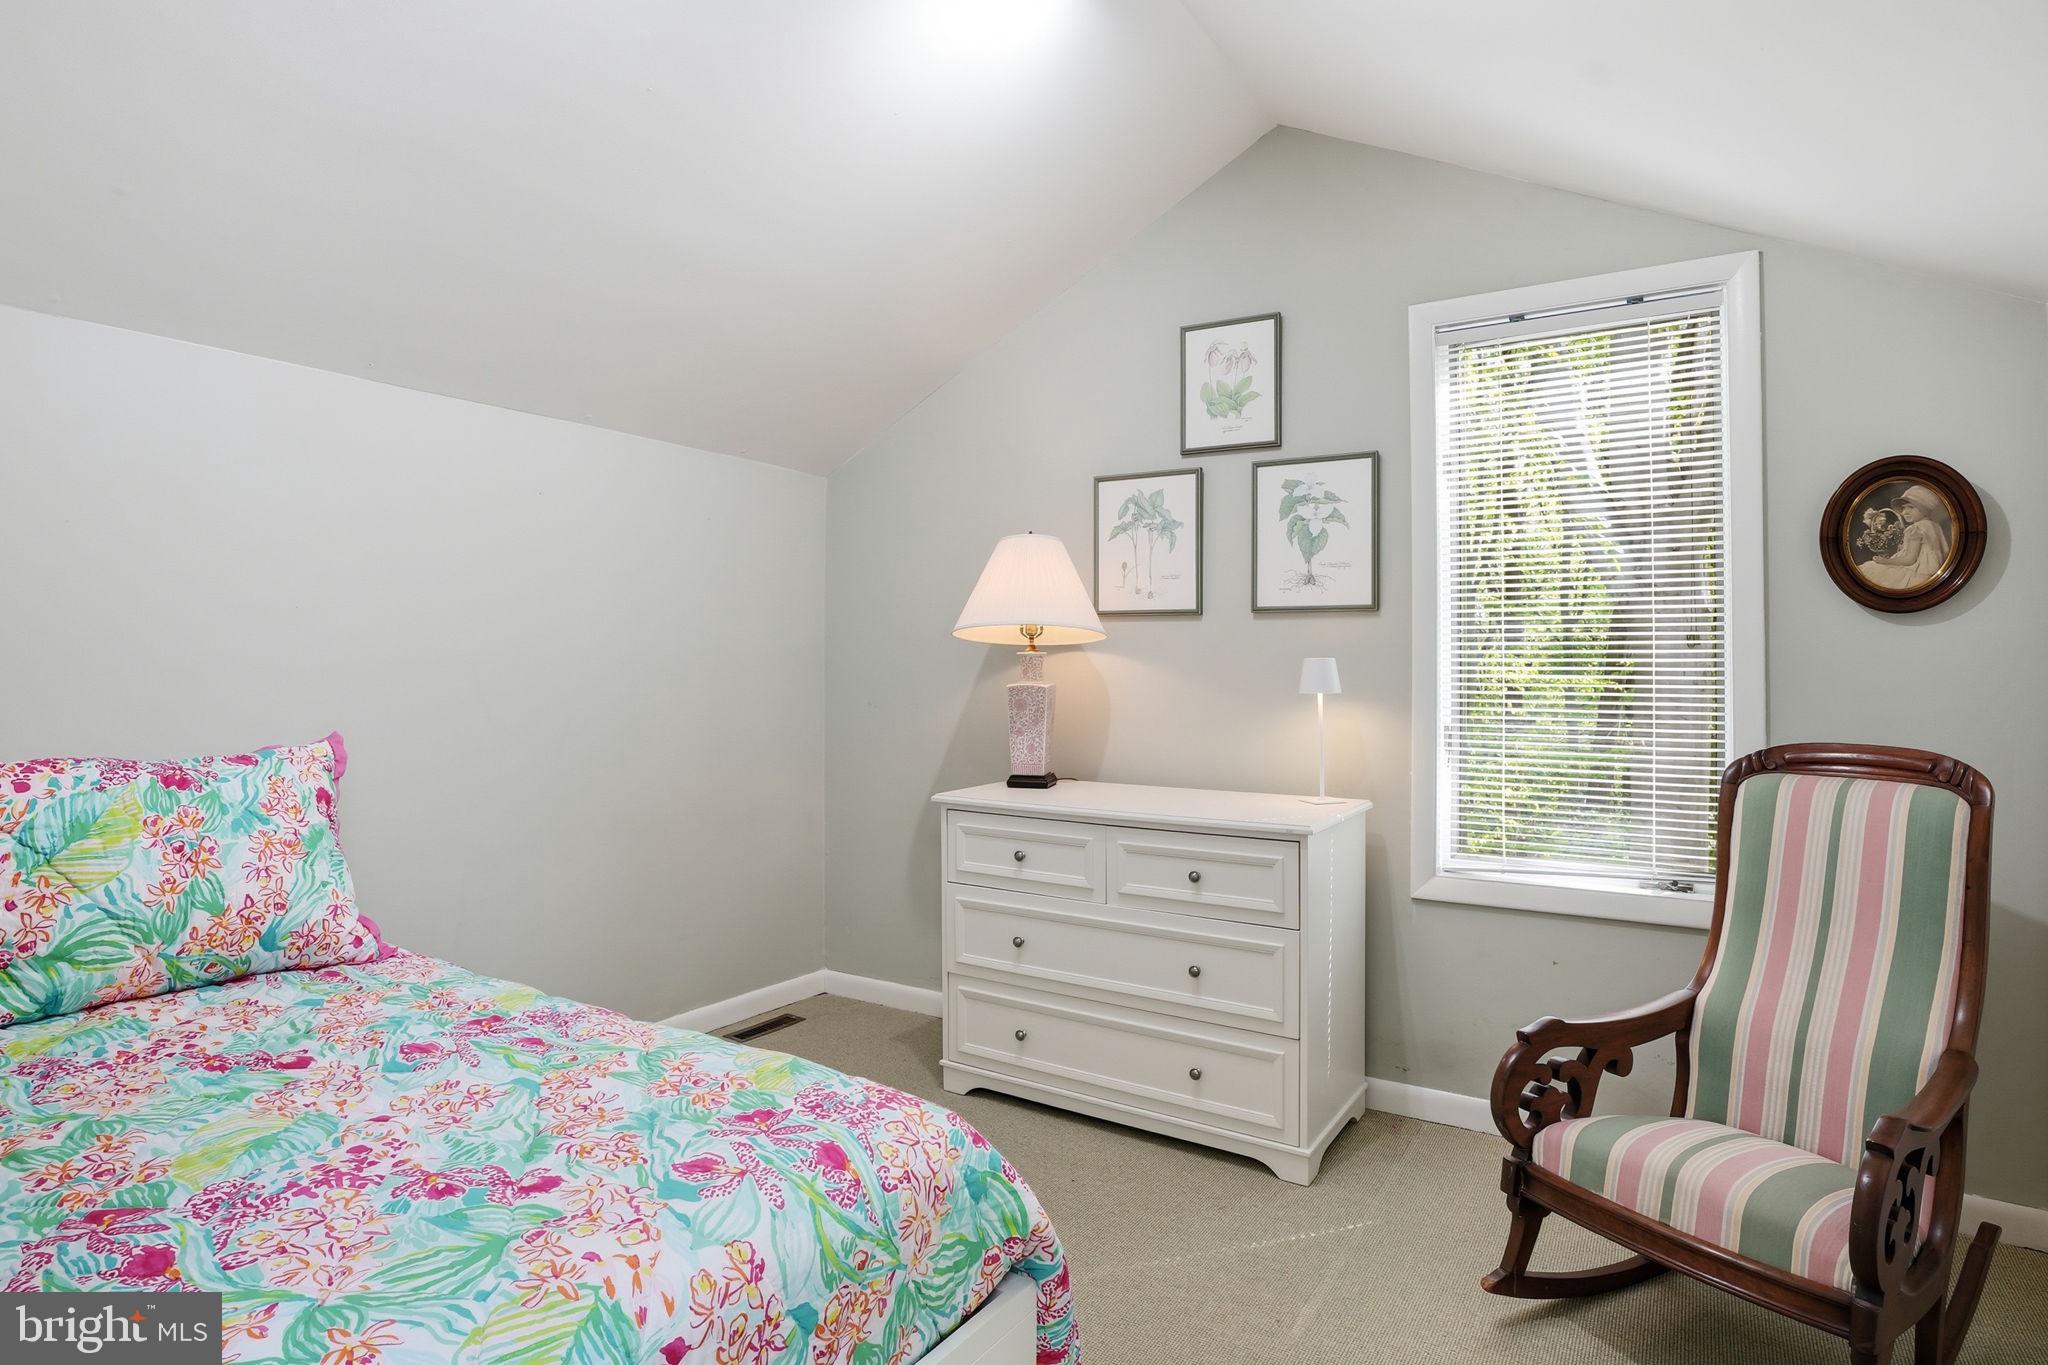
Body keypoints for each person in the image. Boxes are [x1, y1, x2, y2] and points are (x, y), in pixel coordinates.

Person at [1861, 484, 1951, 591]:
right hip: (1932, 573)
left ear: (1924, 509)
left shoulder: (1916, 528)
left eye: (1911, 508)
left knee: (1869, 569)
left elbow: (1910, 559)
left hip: (1916, 572)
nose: (1904, 512)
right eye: (1903, 508)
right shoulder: (1935, 526)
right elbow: (1945, 551)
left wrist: (1885, 561)